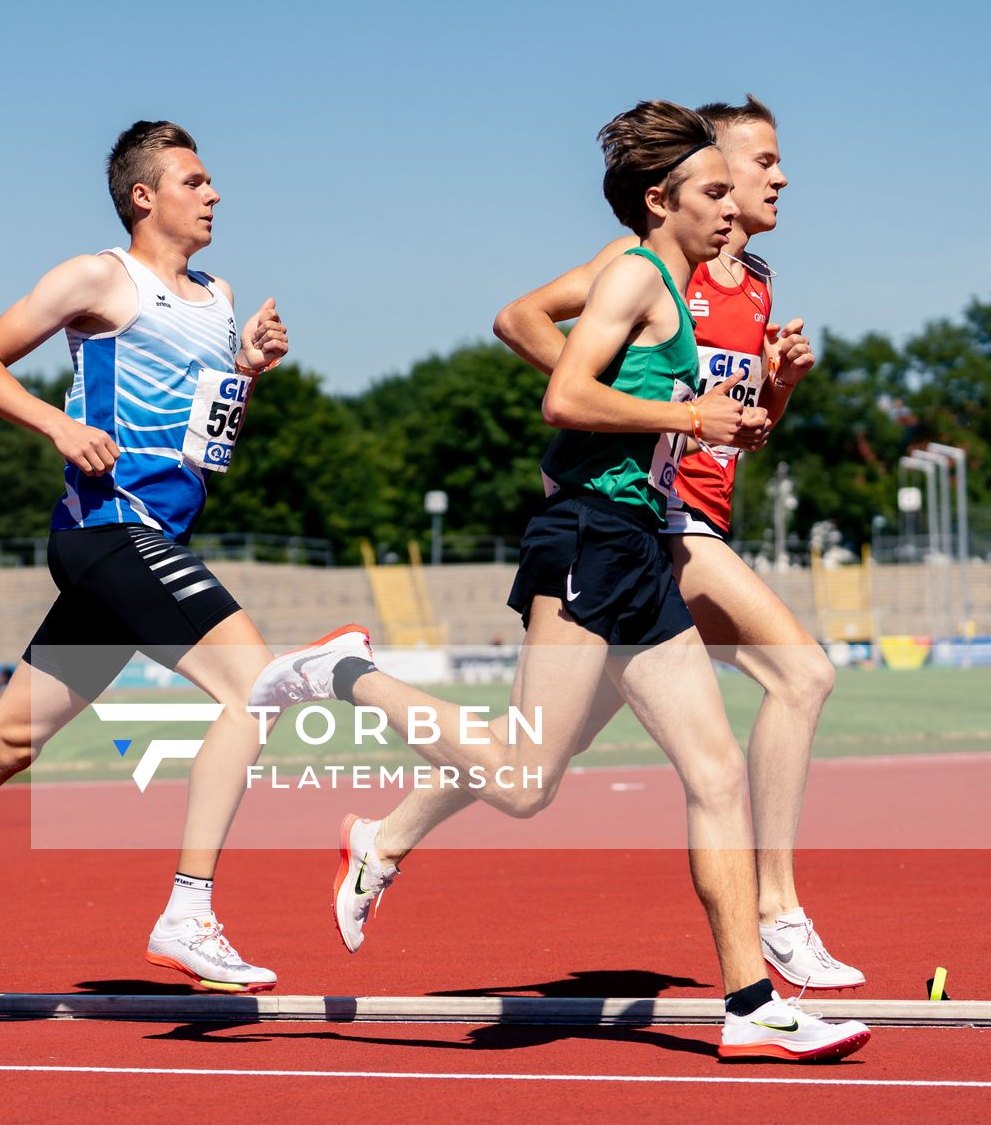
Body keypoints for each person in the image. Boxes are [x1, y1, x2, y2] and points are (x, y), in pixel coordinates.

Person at [256, 102, 869, 1061]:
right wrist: (682, 420)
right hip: (589, 534)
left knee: (713, 774)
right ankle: (340, 677)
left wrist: (720, 413)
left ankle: (752, 1008)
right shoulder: (632, 273)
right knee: (522, 779)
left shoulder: (691, 276)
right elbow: (564, 395)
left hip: (636, 541)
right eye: (714, 191)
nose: (730, 209)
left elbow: (668, 402)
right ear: (662, 198)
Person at [0, 120, 289, 1013]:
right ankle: (188, 912)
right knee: (256, 689)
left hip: (157, 536)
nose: (215, 194)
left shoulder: (221, 295)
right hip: (108, 530)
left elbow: (203, 432)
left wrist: (249, 370)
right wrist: (58, 425)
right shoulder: (97, 278)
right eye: (195, 181)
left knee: (6, 742)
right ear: (144, 196)